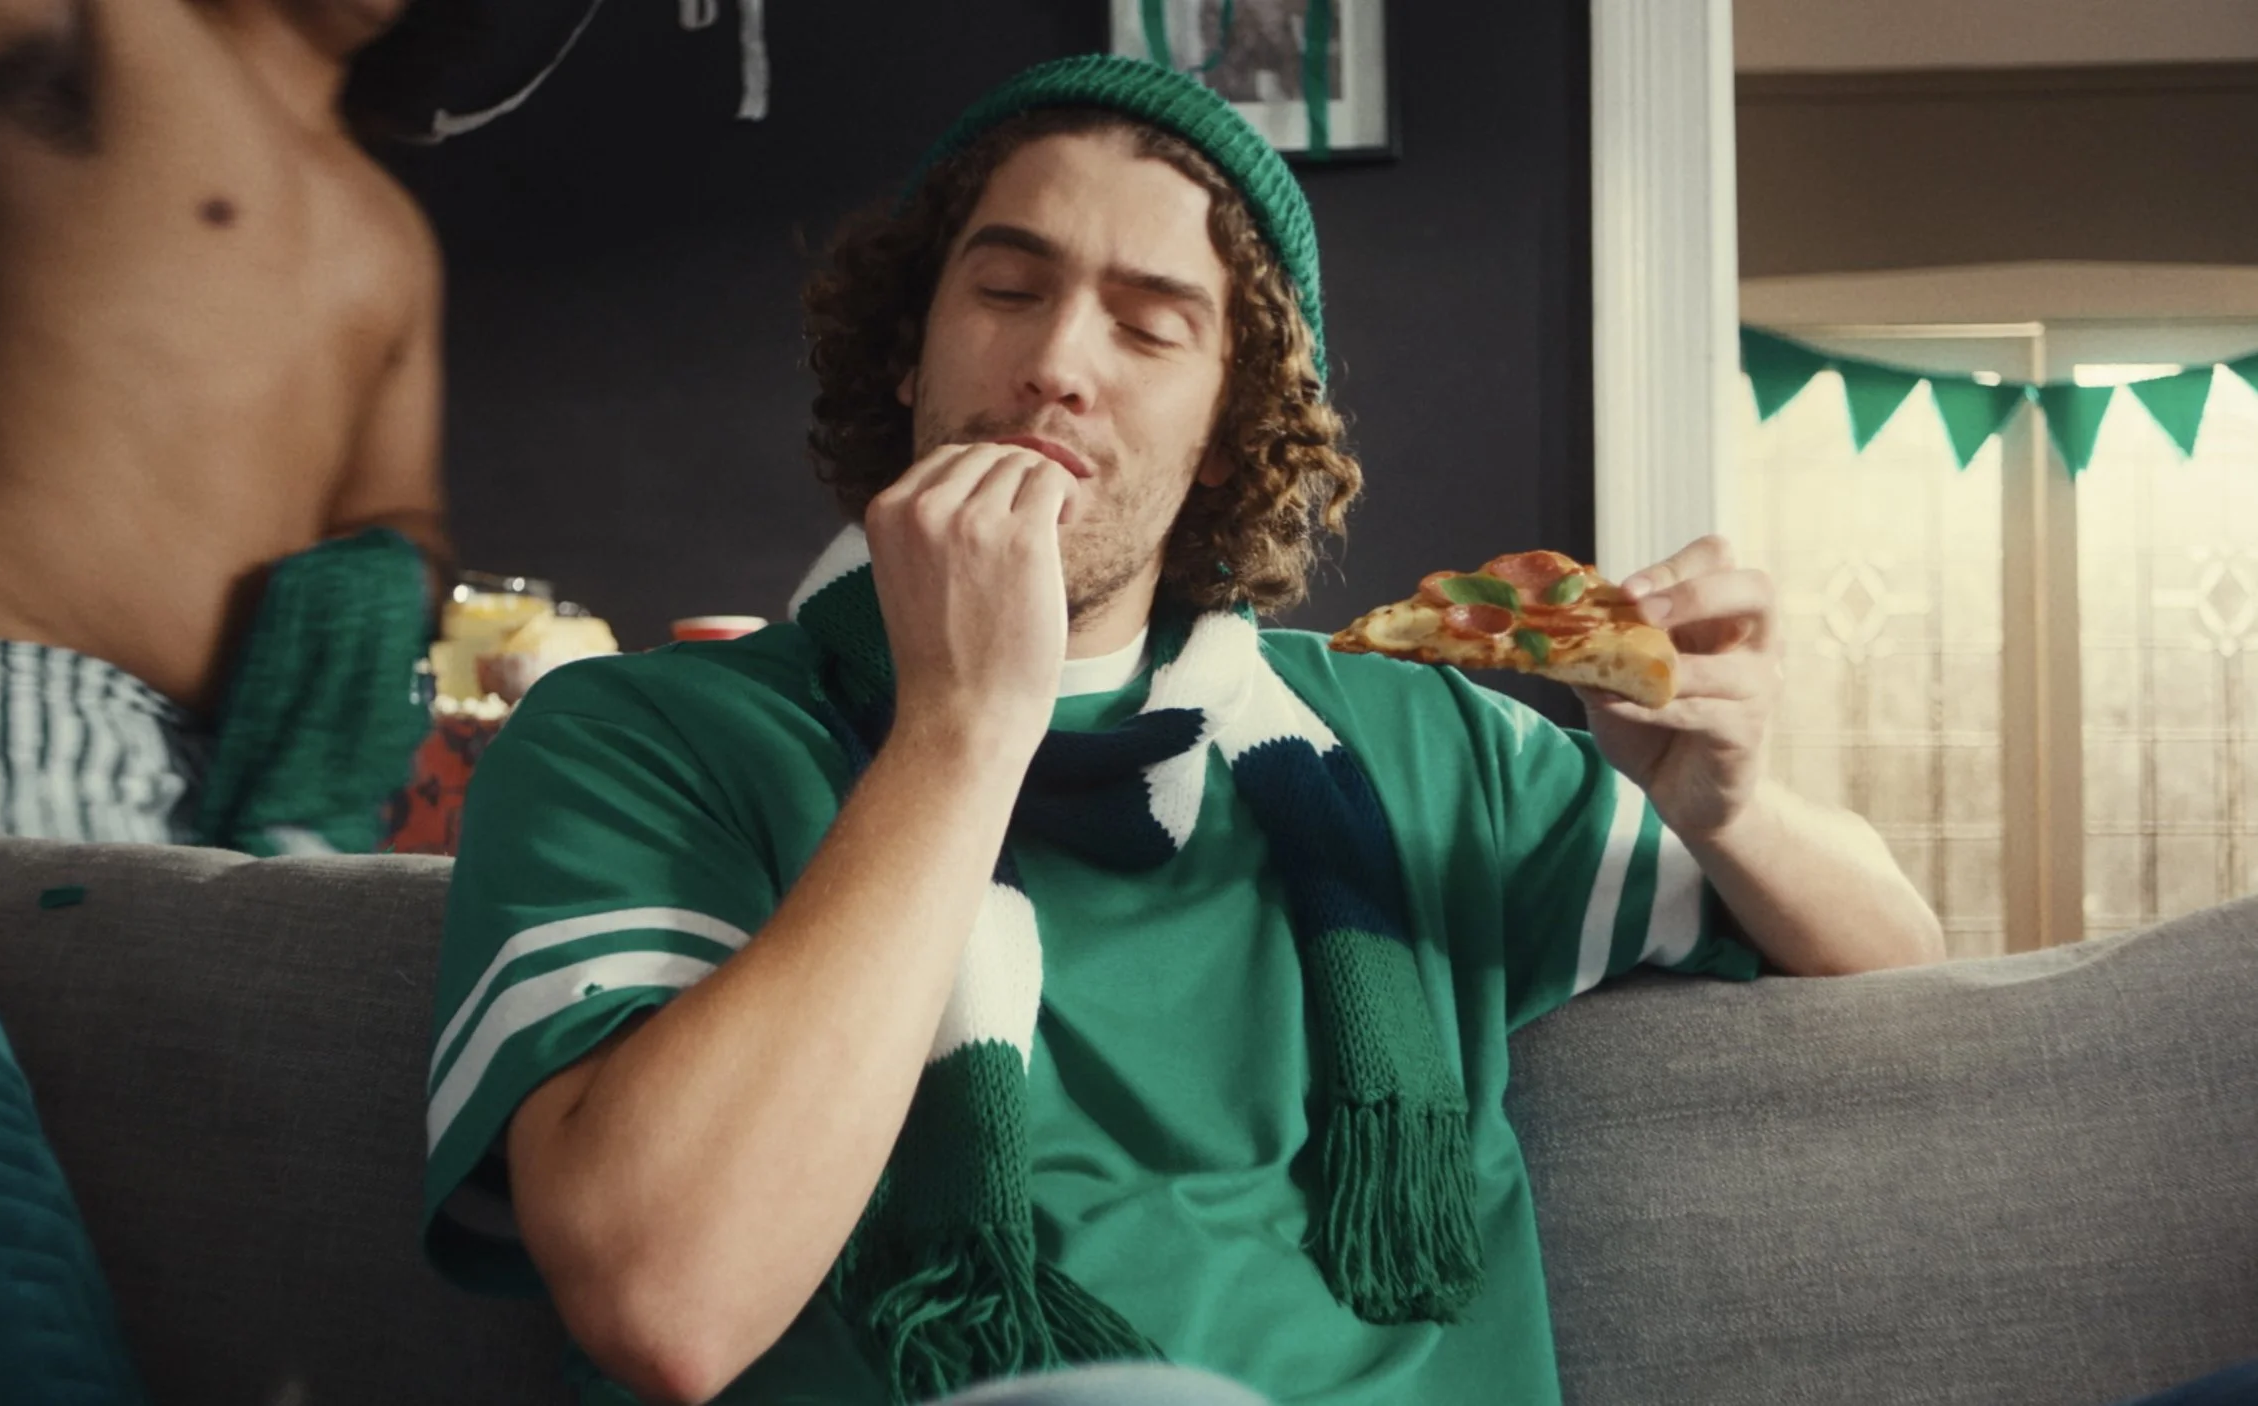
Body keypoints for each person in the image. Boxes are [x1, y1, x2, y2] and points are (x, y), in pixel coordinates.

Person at [421, 55, 1945, 1406]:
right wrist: (963, 728)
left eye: (1150, 328)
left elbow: (1906, 968)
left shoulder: (1424, 742)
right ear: (908, 351)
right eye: (1006, 291)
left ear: (1227, 435)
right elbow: (664, 1303)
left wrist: (1733, 806)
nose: (1058, 364)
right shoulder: (639, 740)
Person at [0, 0, 456, 845]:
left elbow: (397, 509)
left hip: (231, 777)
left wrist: (384, 585)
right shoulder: (108, 29)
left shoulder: (395, 233)